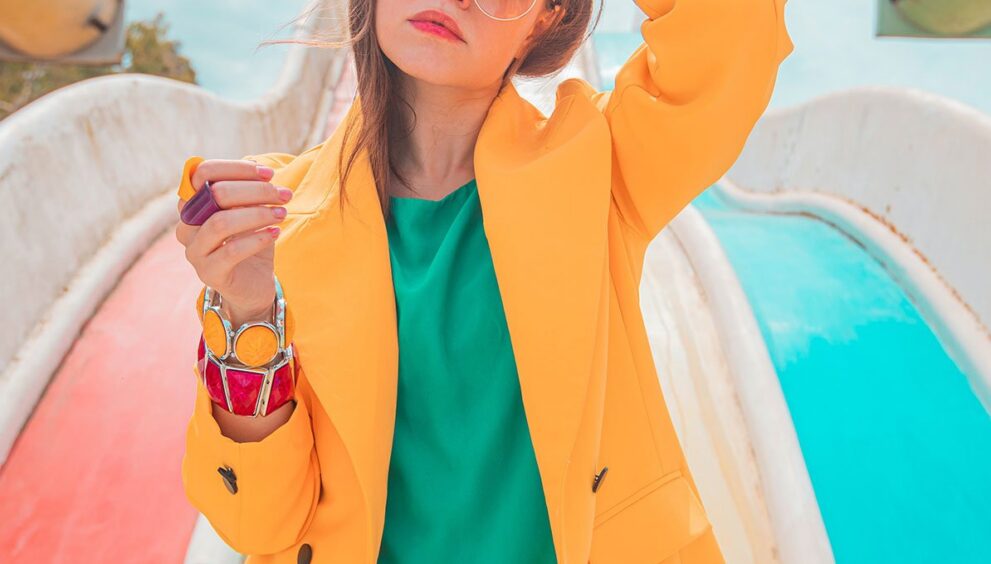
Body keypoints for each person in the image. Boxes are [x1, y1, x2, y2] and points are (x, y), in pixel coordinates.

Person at [173, 0, 794, 562]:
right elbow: (259, 524)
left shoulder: (599, 163)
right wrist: (248, 313)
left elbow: (727, 33)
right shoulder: (273, 215)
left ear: (545, 18)